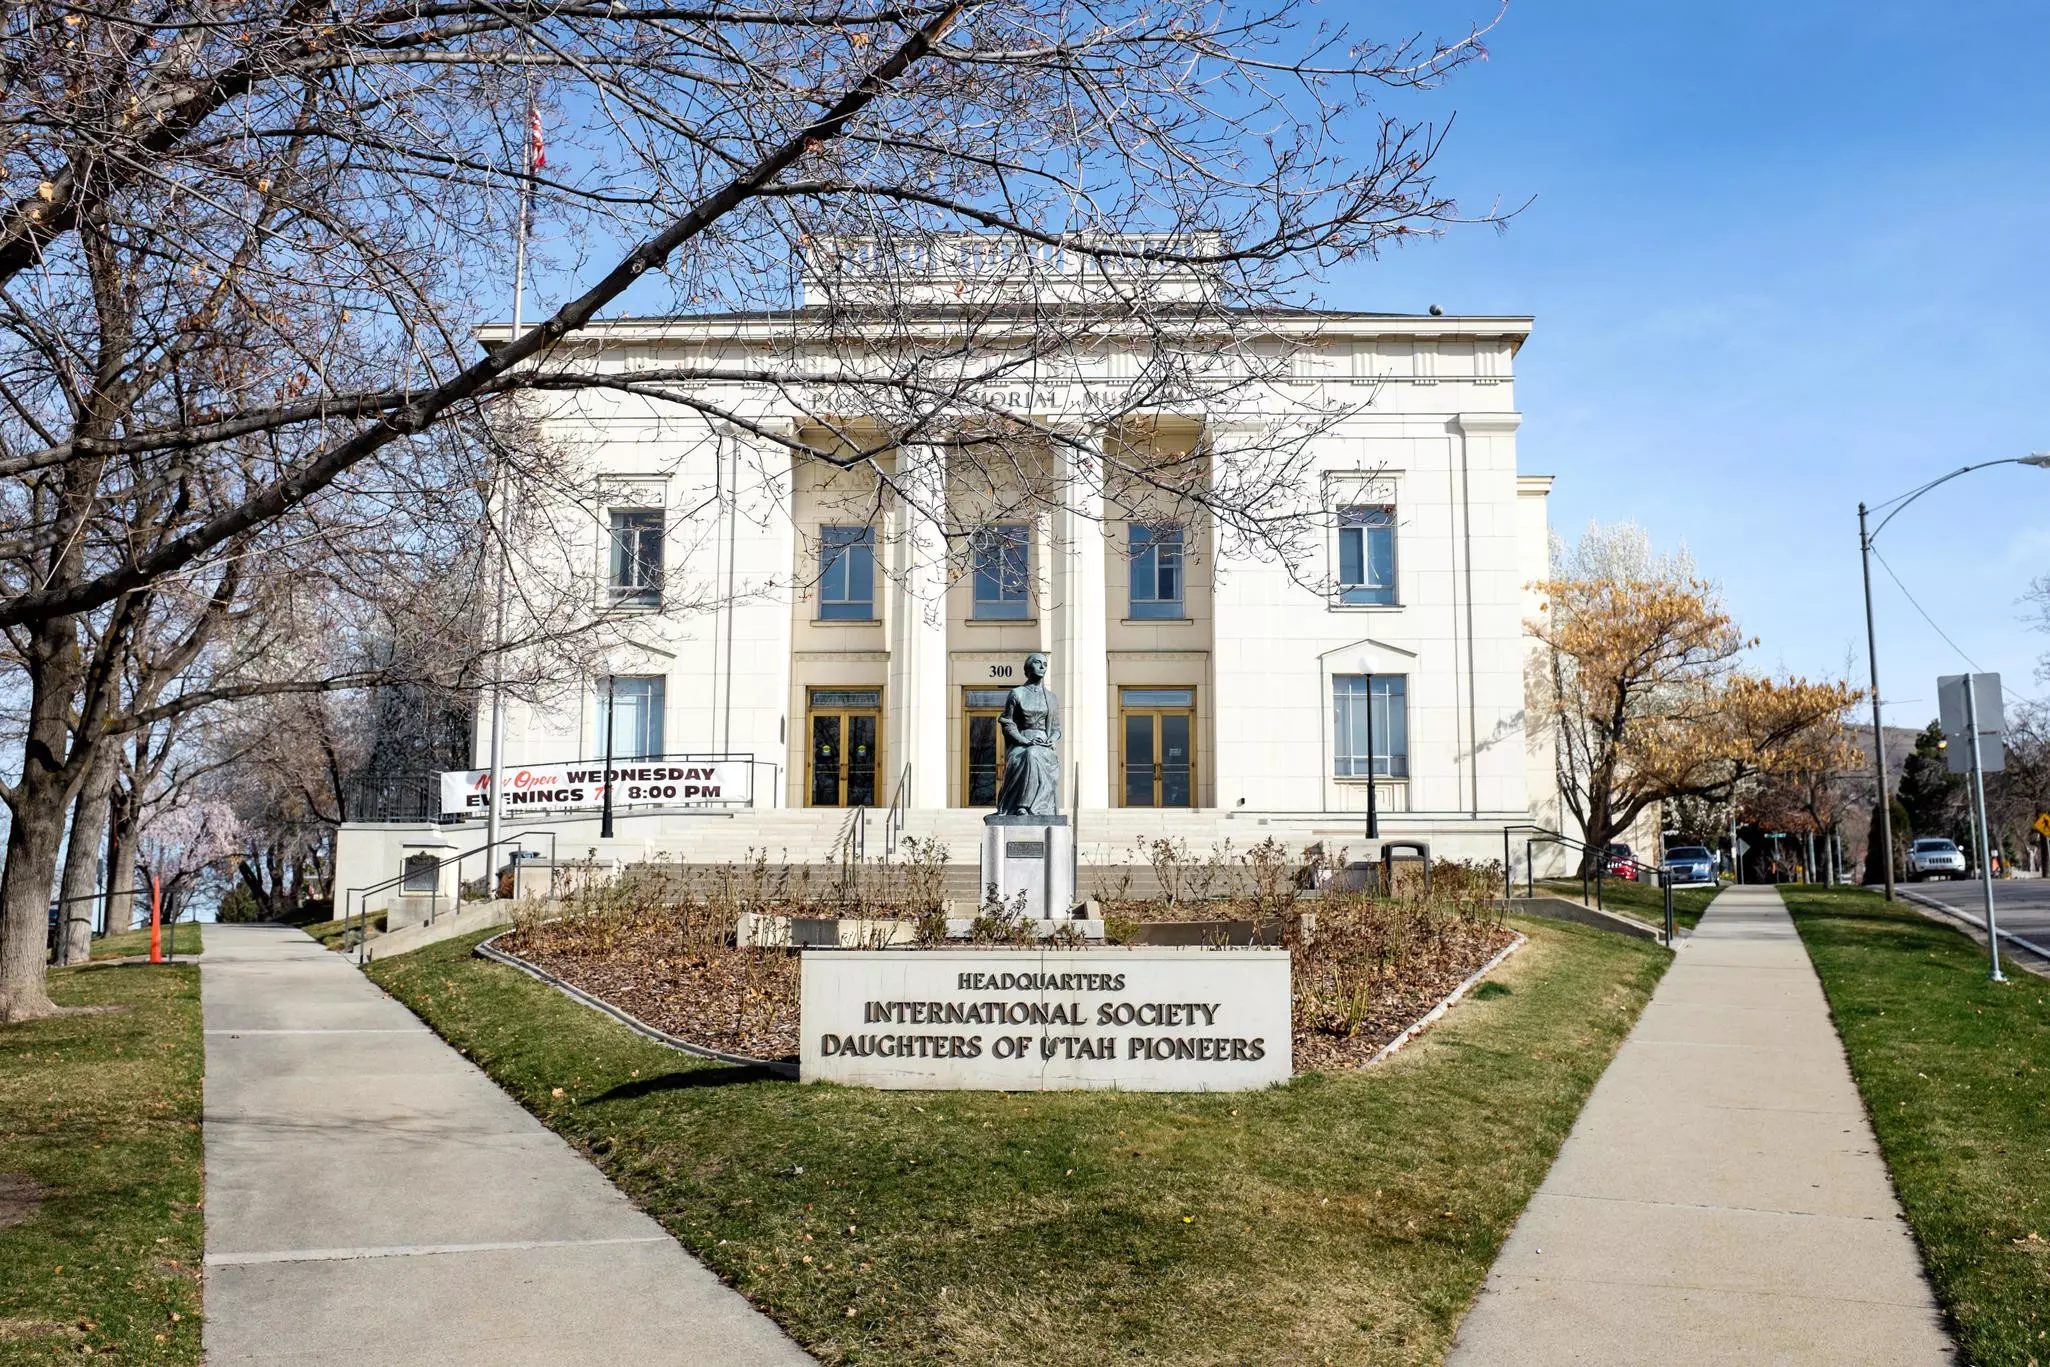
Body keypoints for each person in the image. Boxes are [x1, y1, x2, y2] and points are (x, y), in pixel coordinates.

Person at [995, 652, 1062, 817]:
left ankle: (1037, 806)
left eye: (1044, 664)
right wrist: (1025, 741)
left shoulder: (1052, 698)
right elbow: (1007, 723)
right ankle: (1022, 806)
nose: (1042, 667)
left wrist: (1050, 741)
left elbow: (1056, 729)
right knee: (1030, 754)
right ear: (1028, 667)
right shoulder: (1017, 693)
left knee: (1035, 753)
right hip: (1021, 742)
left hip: (1044, 745)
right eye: (1037, 663)